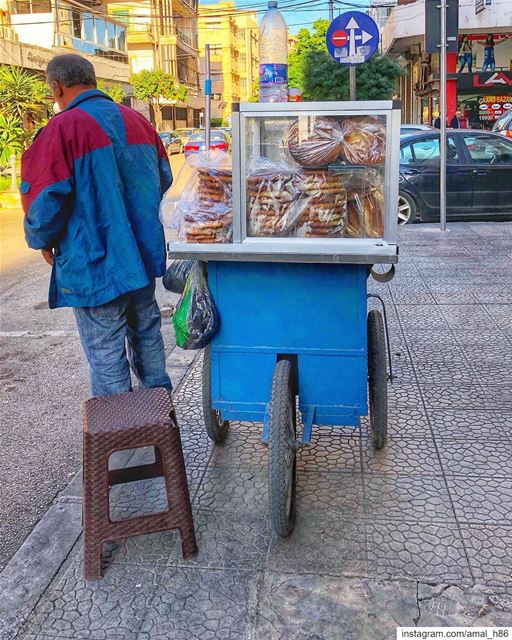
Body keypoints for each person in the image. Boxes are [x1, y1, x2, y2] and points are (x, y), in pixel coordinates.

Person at [21, 54, 173, 398]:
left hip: (96, 265)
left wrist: (42, 240)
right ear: (92, 80)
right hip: (140, 259)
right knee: (149, 347)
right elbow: (163, 178)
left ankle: (124, 443)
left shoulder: (62, 128)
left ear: (56, 87)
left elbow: (45, 202)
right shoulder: (138, 121)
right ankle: (163, 429)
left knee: (107, 360)